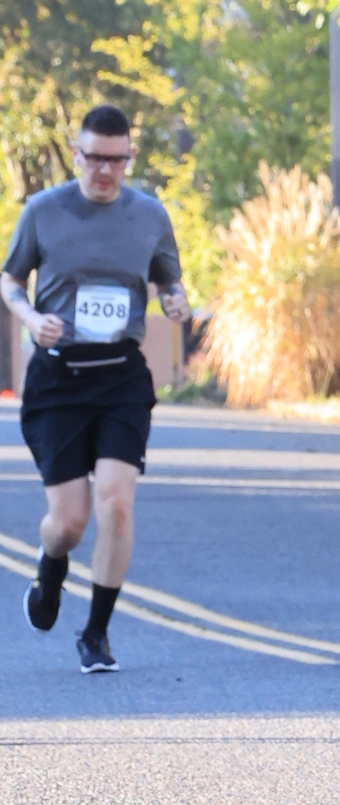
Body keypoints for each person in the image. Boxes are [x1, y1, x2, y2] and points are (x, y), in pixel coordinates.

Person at [4, 103, 191, 673]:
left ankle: (96, 634)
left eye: (117, 159)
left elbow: (169, 280)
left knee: (116, 501)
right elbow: (10, 279)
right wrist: (31, 318)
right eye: (94, 159)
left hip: (120, 377)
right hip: (58, 376)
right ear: (76, 154)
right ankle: (51, 567)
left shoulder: (150, 215)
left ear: (129, 157)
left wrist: (175, 301)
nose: (105, 170)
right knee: (68, 522)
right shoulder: (44, 210)